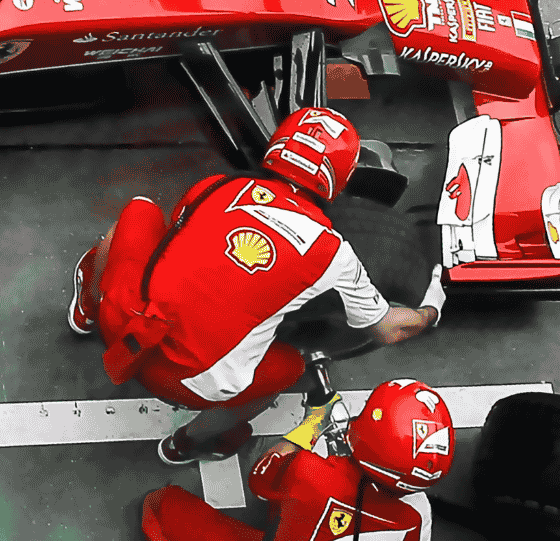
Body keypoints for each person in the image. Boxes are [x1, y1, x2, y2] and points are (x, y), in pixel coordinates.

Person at [68, 107, 444, 464]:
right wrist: (430, 311)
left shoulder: (218, 186)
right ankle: (187, 443)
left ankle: (87, 305)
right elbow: (386, 328)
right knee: (289, 368)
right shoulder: (333, 253)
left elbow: (173, 241)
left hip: (126, 327)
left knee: (141, 211)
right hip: (191, 383)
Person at [140, 378, 452, 539]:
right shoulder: (419, 513)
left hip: (302, 496)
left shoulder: (311, 474)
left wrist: (312, 424)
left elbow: (261, 480)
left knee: (163, 506)